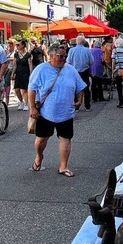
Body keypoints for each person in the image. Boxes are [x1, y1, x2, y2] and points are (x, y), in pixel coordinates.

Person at [28, 44, 85, 177]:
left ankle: (63, 167)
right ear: (51, 55)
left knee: (66, 139)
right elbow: (32, 89)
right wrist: (32, 107)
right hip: (45, 113)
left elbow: (80, 87)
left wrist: (79, 101)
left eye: (65, 56)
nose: (64, 59)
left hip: (66, 113)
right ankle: (39, 157)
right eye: (61, 56)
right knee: (41, 140)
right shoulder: (41, 69)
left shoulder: (70, 70)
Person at [67, 35, 93, 111]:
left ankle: (76, 106)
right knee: (86, 88)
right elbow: (91, 61)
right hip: (85, 71)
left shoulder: (71, 50)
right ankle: (87, 106)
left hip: (75, 71)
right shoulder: (87, 50)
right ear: (84, 42)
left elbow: (68, 61)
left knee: (75, 88)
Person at [12, 40, 32, 110]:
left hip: (25, 73)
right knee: (17, 90)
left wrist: (31, 74)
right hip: (18, 73)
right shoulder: (16, 54)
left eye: (18, 45)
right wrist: (12, 73)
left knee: (24, 90)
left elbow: (30, 65)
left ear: (23, 45)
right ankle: (21, 102)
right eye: (16, 45)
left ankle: (26, 103)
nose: (17, 46)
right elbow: (14, 65)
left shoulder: (28, 55)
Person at [112, 38, 123, 108]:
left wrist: (113, 71)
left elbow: (113, 61)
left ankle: (121, 102)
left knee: (119, 86)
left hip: (118, 69)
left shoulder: (114, 50)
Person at [3, 40, 16, 105]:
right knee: (6, 84)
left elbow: (15, 58)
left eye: (11, 43)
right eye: (9, 43)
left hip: (14, 68)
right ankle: (6, 100)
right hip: (7, 69)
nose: (10, 44)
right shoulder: (7, 51)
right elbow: (3, 58)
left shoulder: (16, 50)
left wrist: (8, 59)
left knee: (16, 86)